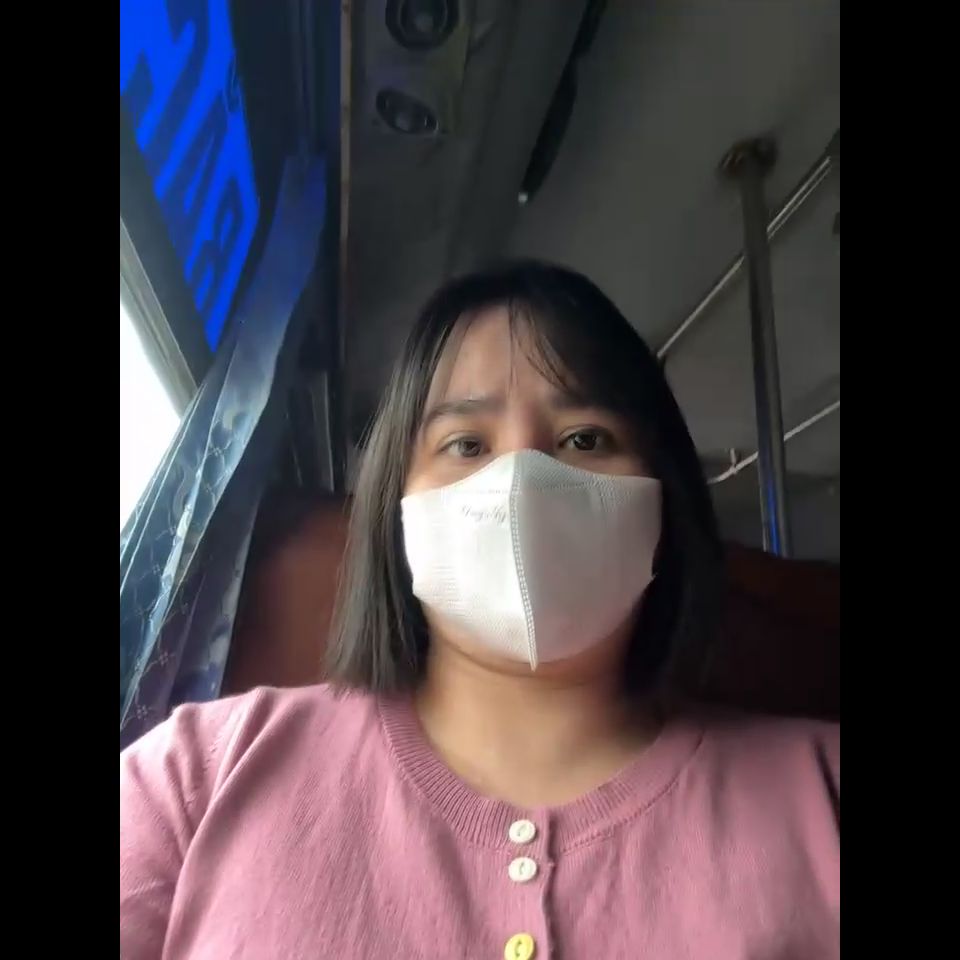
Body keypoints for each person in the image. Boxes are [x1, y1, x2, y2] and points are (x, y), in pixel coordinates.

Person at [120, 261, 839, 959]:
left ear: (663, 503)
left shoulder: (824, 792)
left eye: (585, 439)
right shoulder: (196, 776)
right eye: (466, 445)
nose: (522, 479)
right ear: (396, 514)